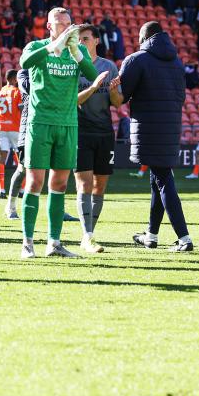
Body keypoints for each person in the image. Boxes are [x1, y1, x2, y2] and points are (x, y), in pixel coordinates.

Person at [18, 8, 99, 259]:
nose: (63, 28)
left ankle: (54, 243)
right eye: (58, 24)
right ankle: (27, 243)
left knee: (60, 183)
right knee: (34, 182)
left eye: (67, 24)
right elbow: (24, 63)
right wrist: (52, 46)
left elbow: (93, 76)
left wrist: (76, 52)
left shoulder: (78, 51)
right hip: (40, 122)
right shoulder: (36, 46)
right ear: (49, 27)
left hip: (68, 123)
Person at [113, 21, 194, 252]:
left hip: (148, 127)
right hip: (171, 127)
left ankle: (184, 238)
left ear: (145, 37)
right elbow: (181, 97)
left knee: (163, 180)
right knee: (157, 180)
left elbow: (121, 97)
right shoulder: (177, 62)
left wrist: (111, 88)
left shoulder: (136, 59)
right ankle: (151, 235)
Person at [73, 24, 122, 253]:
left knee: (100, 186)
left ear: (96, 41)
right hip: (80, 131)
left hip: (104, 132)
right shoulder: (73, 66)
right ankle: (87, 235)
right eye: (78, 39)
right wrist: (93, 87)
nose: (81, 43)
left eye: (85, 39)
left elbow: (118, 102)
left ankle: (89, 231)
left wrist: (112, 90)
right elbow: (72, 100)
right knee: (83, 183)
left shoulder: (109, 66)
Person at [5, 68, 31, 219]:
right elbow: (30, 89)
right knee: (22, 168)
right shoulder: (24, 73)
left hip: (52, 124)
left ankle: (59, 210)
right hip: (29, 128)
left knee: (58, 169)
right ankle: (11, 206)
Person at [0, 69, 21, 200]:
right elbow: (21, 110)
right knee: (21, 159)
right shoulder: (17, 92)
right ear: (14, 79)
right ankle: (20, 190)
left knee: (1, 158)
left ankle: (1, 190)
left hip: (1, 128)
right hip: (15, 128)